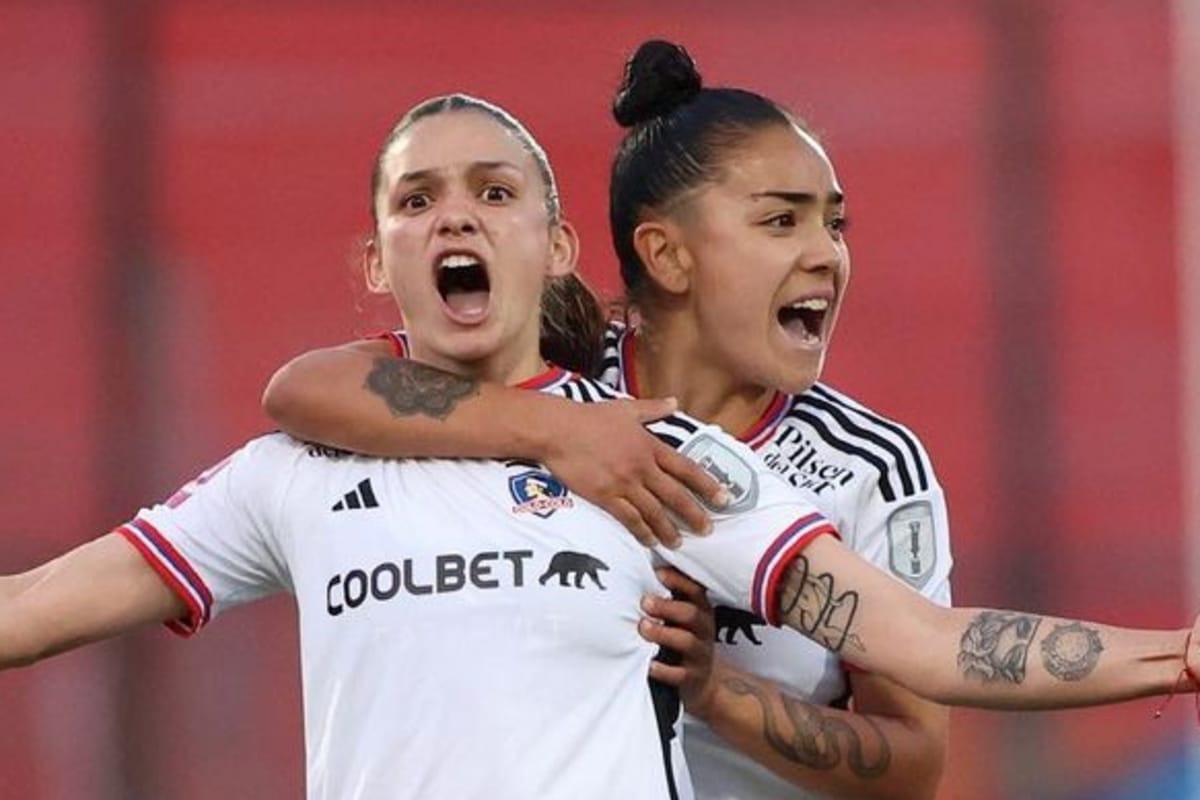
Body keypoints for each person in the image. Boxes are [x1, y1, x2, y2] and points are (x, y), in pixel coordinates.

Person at [4, 92, 1199, 800]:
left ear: (560, 244)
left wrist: (1182, 656)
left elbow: (931, 646)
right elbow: (32, 611)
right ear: (378, 265)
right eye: (417, 200)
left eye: (493, 191)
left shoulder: (663, 457)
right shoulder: (295, 470)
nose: (455, 215)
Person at [263, 40, 950, 799]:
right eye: (782, 222)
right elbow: (314, 389)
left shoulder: (870, 467)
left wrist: (719, 692)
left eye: (836, 225)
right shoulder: (563, 381)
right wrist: (553, 431)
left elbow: (915, 763)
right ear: (667, 254)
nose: (827, 255)